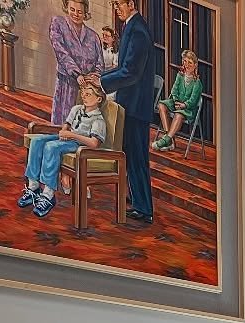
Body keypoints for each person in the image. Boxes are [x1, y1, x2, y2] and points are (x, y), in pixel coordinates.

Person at [96, 0, 155, 223]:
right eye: (114, 4)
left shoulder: (138, 30)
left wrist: (102, 83)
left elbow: (130, 72)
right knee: (131, 154)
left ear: (131, 3)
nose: (116, 8)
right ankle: (138, 199)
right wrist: (102, 77)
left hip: (136, 105)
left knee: (137, 157)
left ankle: (144, 208)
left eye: (119, 3)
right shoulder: (132, 25)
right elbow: (123, 68)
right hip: (131, 103)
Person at [17, 81, 107, 219]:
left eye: (88, 94)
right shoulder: (76, 109)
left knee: (51, 147)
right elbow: (66, 125)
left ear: (98, 99)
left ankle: (48, 195)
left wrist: (71, 135)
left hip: (79, 145)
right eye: (83, 93)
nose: (84, 96)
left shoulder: (98, 120)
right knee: (37, 141)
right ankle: (33, 187)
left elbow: (94, 143)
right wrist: (63, 132)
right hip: (67, 139)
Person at [47, 0, 105, 126]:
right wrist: (76, 74)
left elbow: (100, 63)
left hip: (88, 88)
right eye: (72, 10)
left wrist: (94, 76)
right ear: (66, 8)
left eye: (80, 12)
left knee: (83, 125)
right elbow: (61, 52)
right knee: (63, 123)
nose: (76, 14)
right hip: (66, 84)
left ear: (85, 13)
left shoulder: (94, 36)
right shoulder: (58, 23)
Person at [153, 50, 204, 151]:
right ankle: (169, 139)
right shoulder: (180, 76)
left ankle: (167, 139)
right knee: (161, 105)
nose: (187, 65)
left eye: (190, 63)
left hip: (188, 108)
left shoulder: (197, 83)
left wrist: (184, 105)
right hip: (176, 103)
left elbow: (193, 101)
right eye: (185, 61)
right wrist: (176, 101)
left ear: (195, 65)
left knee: (179, 114)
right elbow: (174, 90)